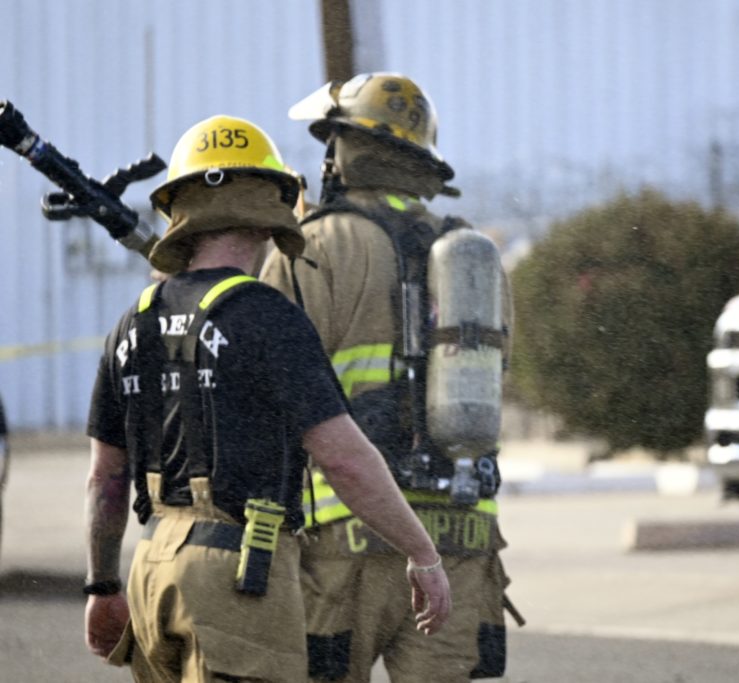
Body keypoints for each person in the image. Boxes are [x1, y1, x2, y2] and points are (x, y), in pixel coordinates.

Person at [83, 113, 451, 682]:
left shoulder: (134, 321)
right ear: (269, 208)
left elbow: (106, 478)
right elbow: (344, 459)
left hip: (150, 567)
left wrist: (102, 585)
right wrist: (422, 553)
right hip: (237, 578)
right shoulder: (267, 317)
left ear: (180, 209)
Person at [262, 72, 516, 682]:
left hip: (345, 531)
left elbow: (262, 386)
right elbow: (499, 369)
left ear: (343, 149)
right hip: (462, 531)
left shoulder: (310, 247)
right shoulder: (474, 257)